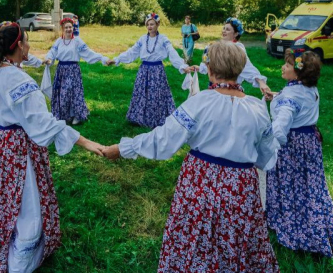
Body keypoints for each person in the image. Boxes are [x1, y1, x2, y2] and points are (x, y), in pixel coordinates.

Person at [102, 41, 280, 272]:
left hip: (200, 181)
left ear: (211, 70)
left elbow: (163, 140)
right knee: (235, 236)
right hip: (240, 187)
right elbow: (266, 158)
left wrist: (122, 148)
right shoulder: (257, 109)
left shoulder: (199, 103)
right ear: (239, 70)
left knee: (195, 233)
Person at [0, 23, 104, 273]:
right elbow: (42, 123)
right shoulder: (18, 79)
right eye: (27, 41)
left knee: (10, 200)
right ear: (19, 45)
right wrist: (85, 142)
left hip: (2, 145)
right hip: (19, 151)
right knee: (28, 205)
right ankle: (20, 264)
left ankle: (19, 253)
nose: (29, 46)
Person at [266, 49, 333, 256]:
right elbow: (297, 103)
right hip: (310, 141)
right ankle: (317, 225)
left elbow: (280, 127)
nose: (283, 67)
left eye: (287, 64)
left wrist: (278, 144)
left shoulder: (292, 95)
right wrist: (276, 96)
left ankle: (294, 228)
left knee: (291, 185)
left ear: (298, 72)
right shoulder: (309, 89)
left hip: (294, 145)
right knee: (310, 185)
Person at [106, 13, 193, 128]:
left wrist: (182, 66)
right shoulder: (143, 39)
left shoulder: (163, 39)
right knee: (142, 92)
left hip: (157, 71)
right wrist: (117, 59)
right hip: (144, 70)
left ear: (158, 24)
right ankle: (139, 117)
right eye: (148, 25)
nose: (149, 27)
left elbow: (172, 52)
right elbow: (132, 52)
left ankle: (156, 117)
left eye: (152, 24)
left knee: (156, 93)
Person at [43, 18, 109, 124]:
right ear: (62, 29)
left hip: (73, 70)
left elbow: (88, 52)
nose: (69, 29)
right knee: (63, 93)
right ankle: (64, 115)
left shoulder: (77, 41)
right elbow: (52, 52)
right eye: (66, 27)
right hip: (61, 71)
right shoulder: (59, 41)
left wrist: (102, 58)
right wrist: (49, 59)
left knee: (73, 93)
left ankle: (77, 115)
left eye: (70, 27)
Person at [198, 17, 271, 96]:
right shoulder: (217, 46)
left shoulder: (237, 49)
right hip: (215, 87)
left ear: (236, 34)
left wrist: (261, 82)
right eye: (224, 28)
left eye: (228, 29)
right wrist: (199, 68)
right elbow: (210, 67)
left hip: (230, 90)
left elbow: (248, 67)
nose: (224, 31)